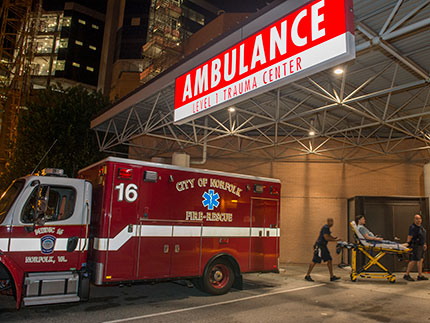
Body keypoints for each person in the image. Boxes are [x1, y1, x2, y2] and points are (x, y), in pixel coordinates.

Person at [404, 214, 428, 281]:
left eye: (419, 218)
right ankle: (406, 274)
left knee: (420, 260)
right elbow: (410, 236)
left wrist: (424, 244)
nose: (418, 220)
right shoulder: (413, 227)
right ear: (414, 220)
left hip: (421, 246)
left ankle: (420, 275)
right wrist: (408, 244)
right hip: (415, 246)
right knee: (414, 260)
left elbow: (422, 237)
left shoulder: (421, 227)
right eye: (417, 219)